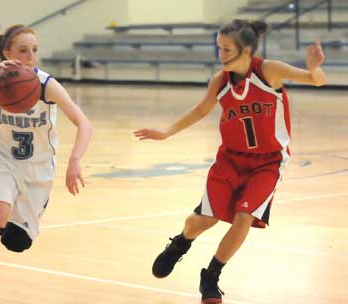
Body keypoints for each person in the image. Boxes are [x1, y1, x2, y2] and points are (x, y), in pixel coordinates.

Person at [134, 19, 325, 304]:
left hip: (268, 163)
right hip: (230, 161)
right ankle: (180, 244)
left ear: (246, 50)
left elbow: (316, 80)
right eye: (219, 49)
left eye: (226, 49)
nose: (221, 55)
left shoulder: (267, 70)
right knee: (205, 220)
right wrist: (166, 132)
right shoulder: (219, 81)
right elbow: (200, 110)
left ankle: (210, 276)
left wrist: (313, 67)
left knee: (243, 217)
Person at [0, 24, 92, 303]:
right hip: (4, 159)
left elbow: (84, 124)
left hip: (39, 170)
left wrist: (75, 160)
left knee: (18, 242)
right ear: (6, 52)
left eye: (34, 50)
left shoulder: (47, 85)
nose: (30, 56)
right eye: (23, 50)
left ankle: (4, 221)